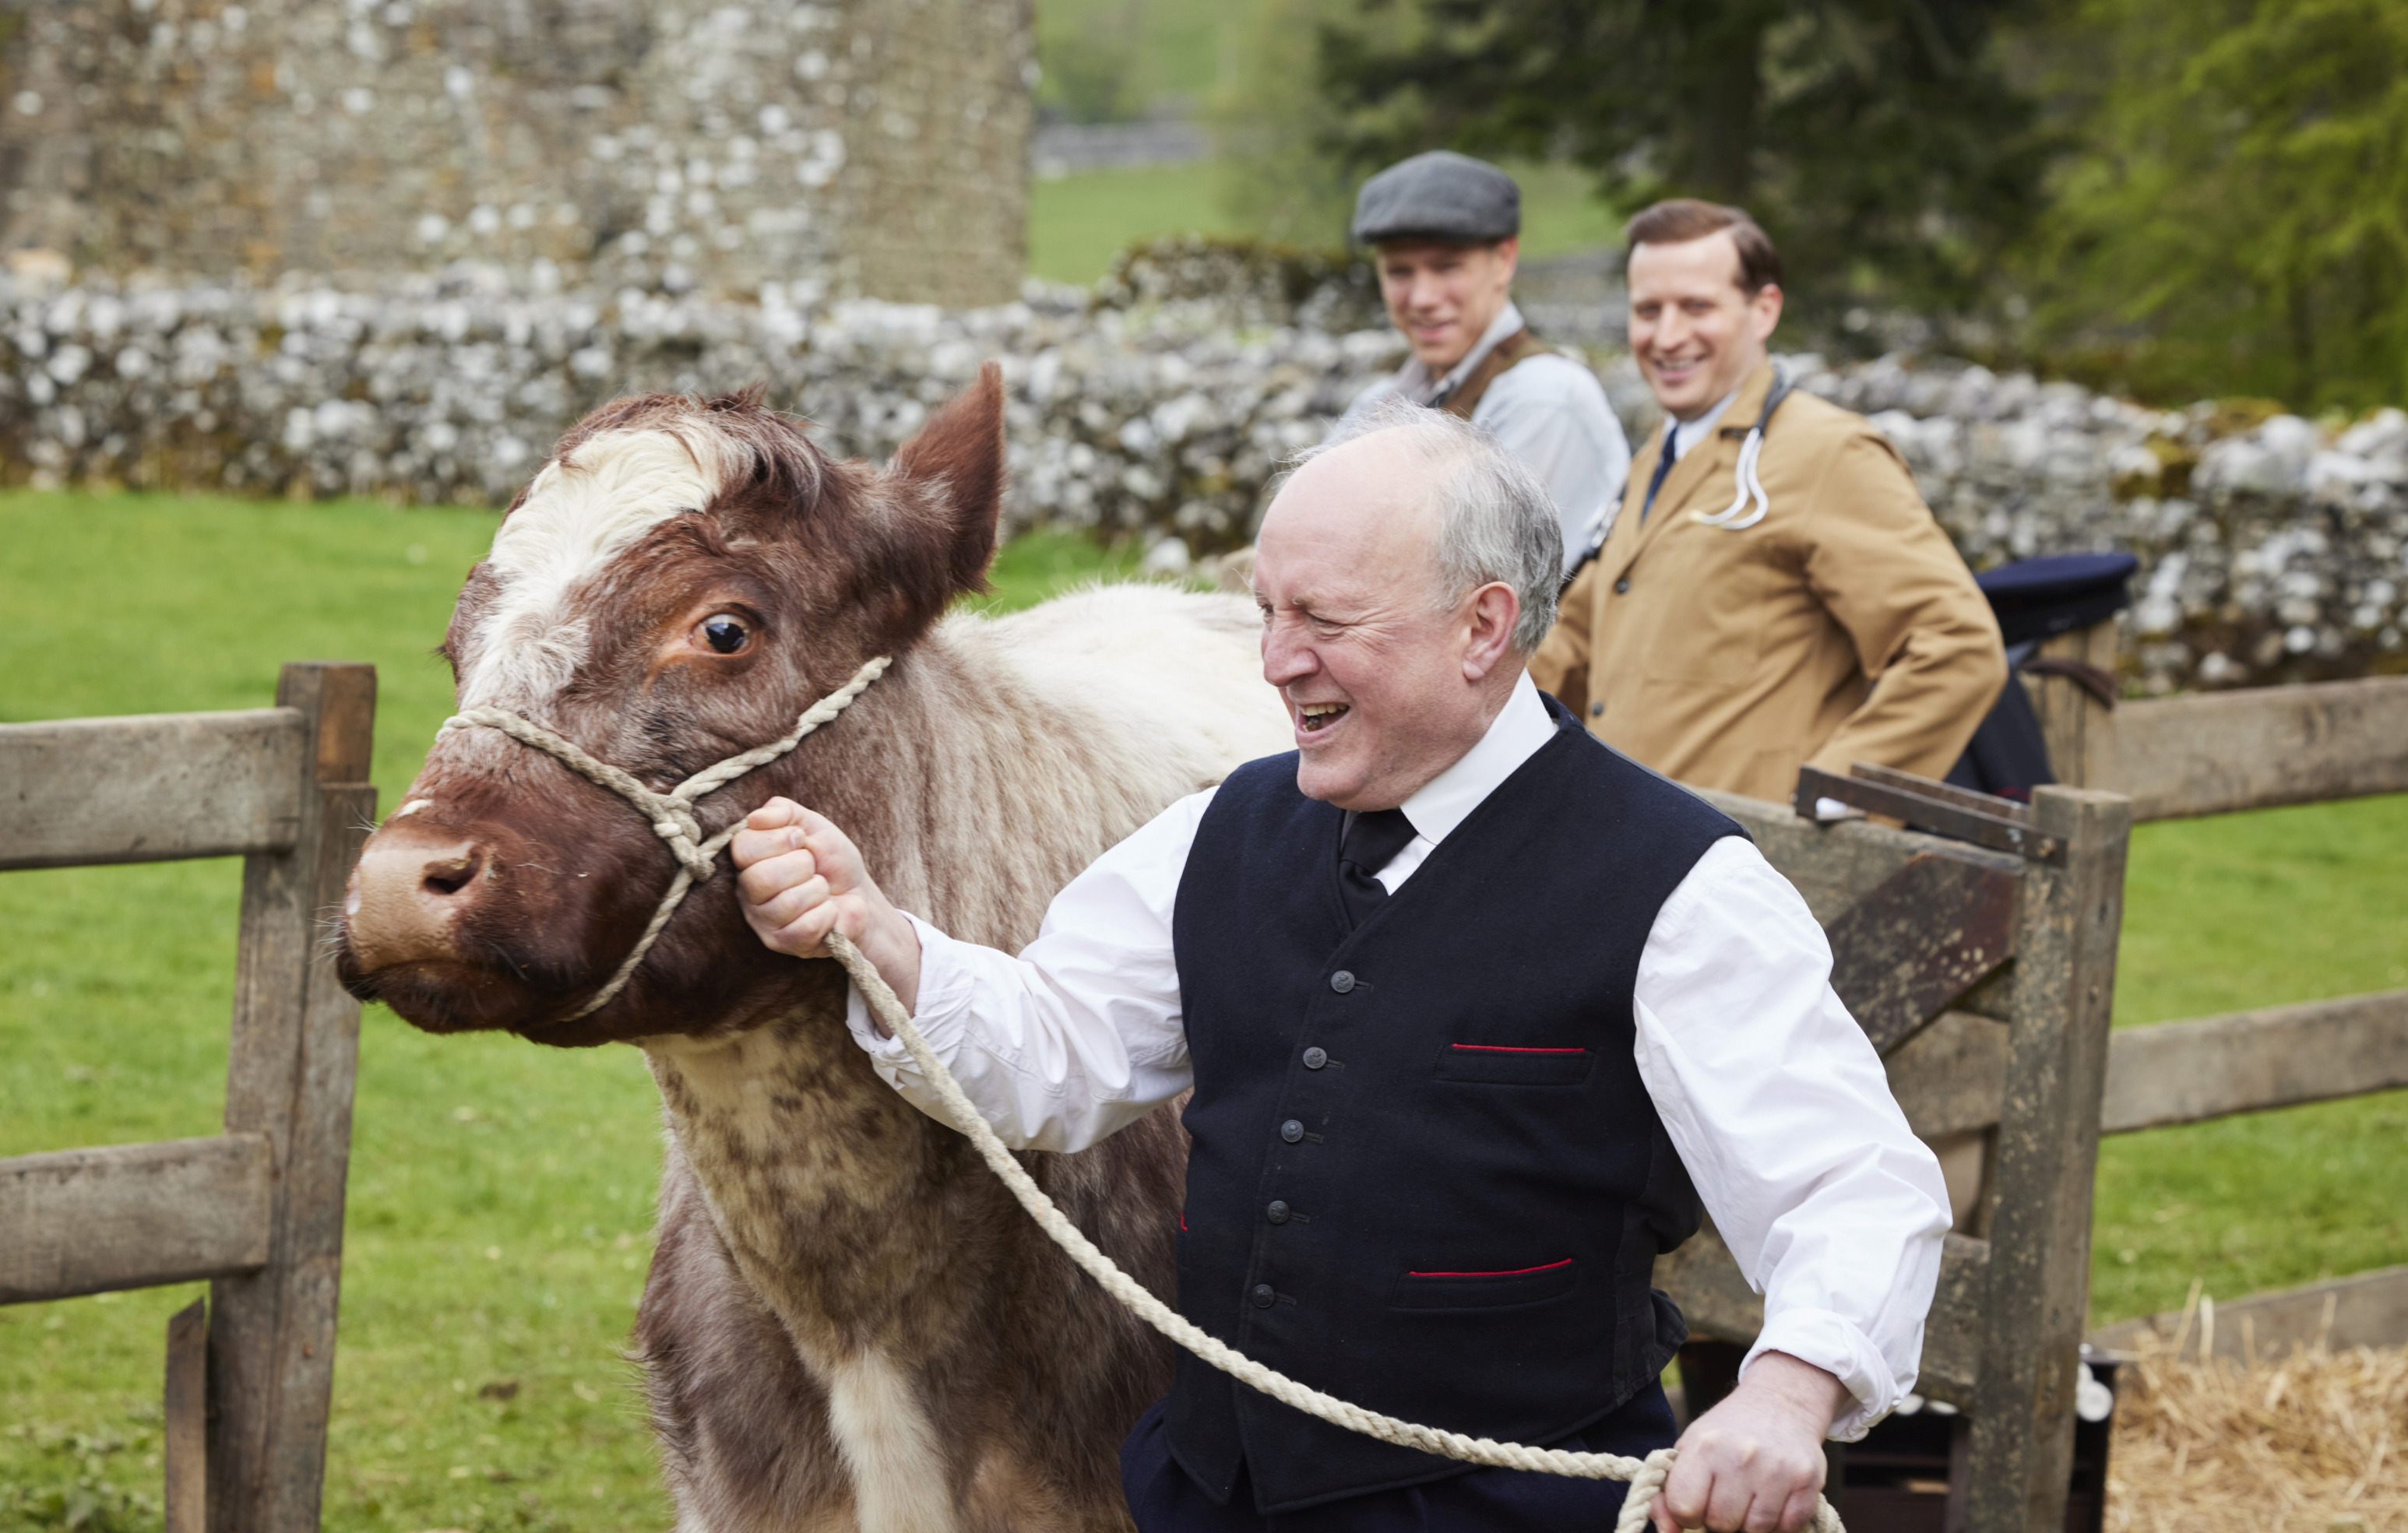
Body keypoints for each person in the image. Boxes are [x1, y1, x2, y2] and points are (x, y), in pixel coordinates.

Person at [730, 400, 1950, 1533]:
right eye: (1268, 610)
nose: (1274, 657)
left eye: (1324, 619)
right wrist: (882, 935)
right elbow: (1055, 1047)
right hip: (1209, 1493)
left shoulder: (1680, 887)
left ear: (1482, 626)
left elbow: (1852, 1186)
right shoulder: (1224, 831)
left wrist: (1788, 1394)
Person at [1532, 200, 2005, 806]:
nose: (1668, 335)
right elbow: (1577, 643)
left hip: (1746, 870)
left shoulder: (1827, 452)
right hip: (1630, 856)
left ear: (1764, 310)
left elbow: (1956, 645)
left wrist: (1833, 795)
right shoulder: (1657, 456)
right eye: (1648, 309)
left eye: (1697, 306)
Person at [1347, 150, 1633, 575]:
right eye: (1400, 272)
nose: (1423, 298)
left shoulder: (1544, 399)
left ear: (1504, 261)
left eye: (1448, 268)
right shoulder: (1377, 403)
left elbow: (1455, 579)